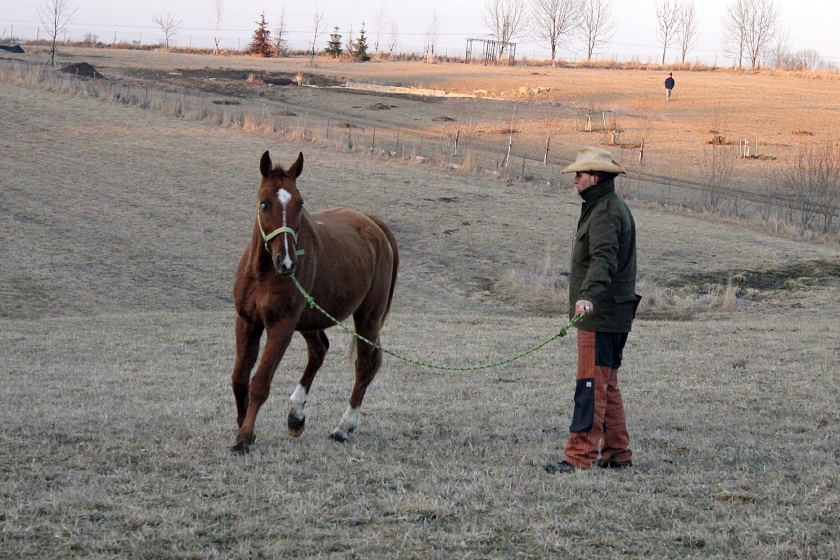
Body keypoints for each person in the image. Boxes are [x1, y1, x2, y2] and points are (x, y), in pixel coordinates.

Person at [544, 147, 640, 474]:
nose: (574, 180)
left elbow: (603, 259)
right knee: (607, 384)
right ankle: (617, 453)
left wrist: (587, 296)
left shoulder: (604, 213)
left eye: (579, 175)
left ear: (594, 178)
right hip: (613, 313)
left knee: (590, 385)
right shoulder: (605, 207)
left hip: (600, 316)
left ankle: (579, 457)